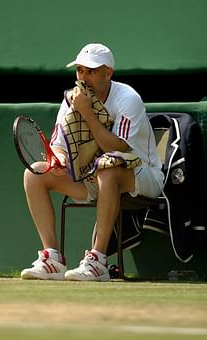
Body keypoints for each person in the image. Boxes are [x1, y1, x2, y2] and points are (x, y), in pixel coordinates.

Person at [20, 43, 164, 281]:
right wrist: (60, 160)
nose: (83, 77)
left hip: (142, 176)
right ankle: (52, 259)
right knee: (35, 173)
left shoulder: (128, 99)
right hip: (91, 178)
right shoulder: (72, 99)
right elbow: (58, 144)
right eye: (80, 71)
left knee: (108, 167)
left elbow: (118, 149)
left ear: (108, 73)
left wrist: (87, 113)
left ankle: (97, 261)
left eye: (91, 71)